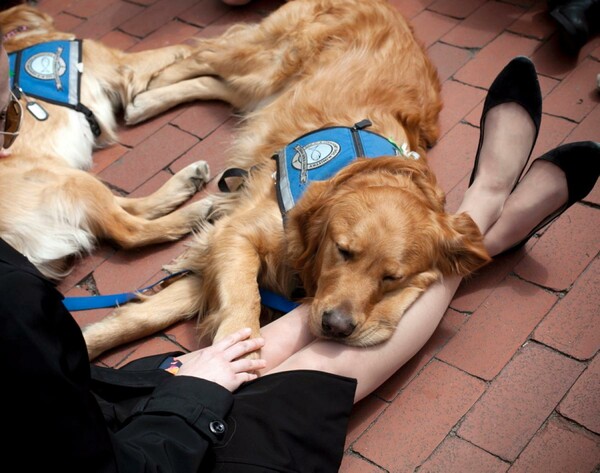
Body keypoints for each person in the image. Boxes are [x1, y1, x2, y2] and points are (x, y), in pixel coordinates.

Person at [1, 28, 599, 473]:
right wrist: (194, 397)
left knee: (291, 332)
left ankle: (474, 225)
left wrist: (105, 348)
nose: (8, 137)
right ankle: (485, 211)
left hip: (104, 420)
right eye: (6, 125)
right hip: (165, 451)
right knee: (295, 377)